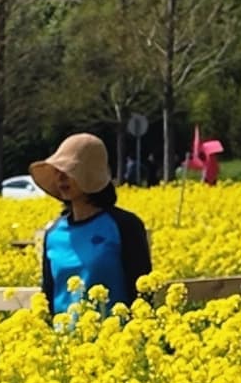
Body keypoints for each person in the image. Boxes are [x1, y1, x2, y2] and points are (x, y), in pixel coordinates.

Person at [28, 131, 151, 318]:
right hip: (64, 343)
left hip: (116, 341)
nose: (61, 178)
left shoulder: (125, 226)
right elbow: (48, 296)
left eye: (69, 171)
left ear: (91, 175)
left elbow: (143, 295)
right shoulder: (53, 234)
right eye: (57, 171)